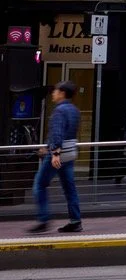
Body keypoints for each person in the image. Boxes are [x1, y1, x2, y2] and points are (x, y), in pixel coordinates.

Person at [29, 81, 83, 234]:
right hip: (70, 152)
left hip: (58, 154)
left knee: (39, 185)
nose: (53, 93)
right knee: (69, 188)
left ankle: (43, 219)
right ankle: (75, 221)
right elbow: (67, 132)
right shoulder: (74, 110)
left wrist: (54, 153)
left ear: (62, 93)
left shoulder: (59, 111)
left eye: (55, 91)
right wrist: (47, 147)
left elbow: (58, 133)